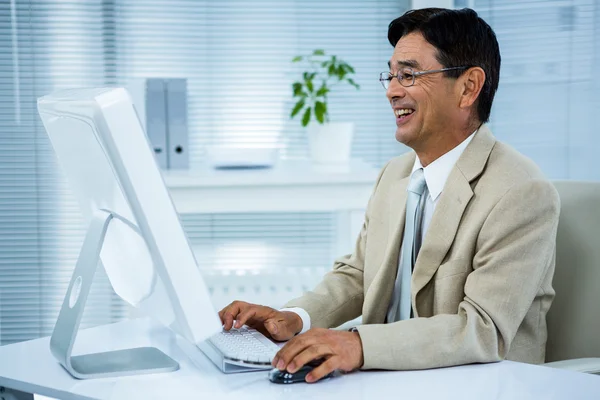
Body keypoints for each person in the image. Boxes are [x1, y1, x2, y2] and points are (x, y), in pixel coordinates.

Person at [218, 7, 560, 383]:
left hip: (478, 386)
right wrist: (295, 318)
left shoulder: (520, 191)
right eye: (391, 75)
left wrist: (359, 345)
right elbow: (360, 274)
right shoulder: (395, 175)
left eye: (409, 75)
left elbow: (482, 329)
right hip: (389, 380)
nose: (392, 90)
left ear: (468, 87)